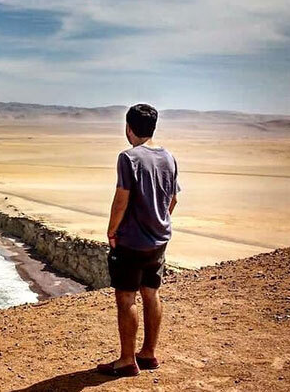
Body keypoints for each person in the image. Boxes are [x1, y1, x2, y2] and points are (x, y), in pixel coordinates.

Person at [97, 103, 180, 377]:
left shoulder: (128, 158)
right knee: (151, 293)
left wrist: (112, 231)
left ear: (128, 128)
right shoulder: (169, 157)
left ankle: (126, 360)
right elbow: (173, 199)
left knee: (126, 297)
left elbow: (121, 199)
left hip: (131, 241)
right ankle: (149, 353)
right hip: (158, 241)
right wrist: (159, 220)